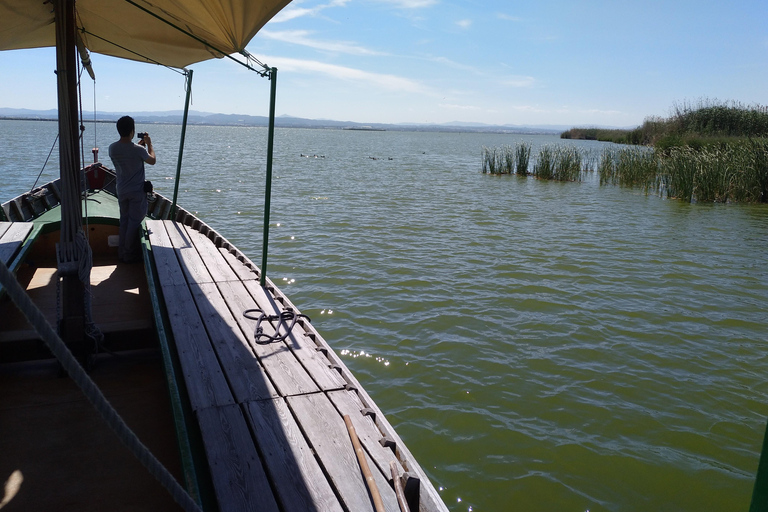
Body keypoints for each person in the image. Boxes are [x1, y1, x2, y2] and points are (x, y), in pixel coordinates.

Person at [108, 116, 156, 263]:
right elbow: (152, 160)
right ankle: (128, 254)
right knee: (134, 222)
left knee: (124, 221)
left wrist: (138, 145)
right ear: (132, 131)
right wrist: (149, 144)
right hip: (136, 192)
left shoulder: (112, 148)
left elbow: (127, 152)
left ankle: (121, 252)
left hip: (121, 190)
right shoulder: (139, 150)